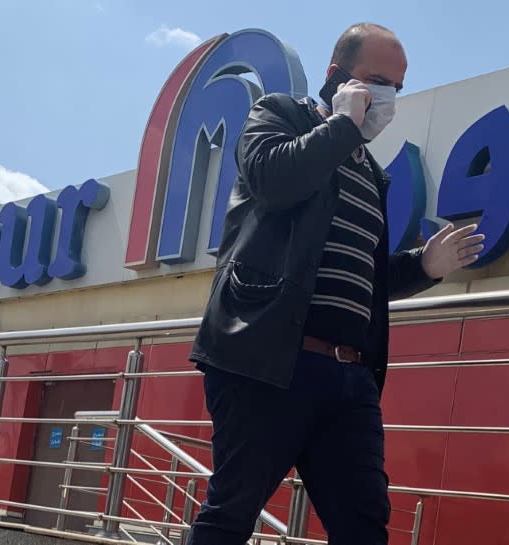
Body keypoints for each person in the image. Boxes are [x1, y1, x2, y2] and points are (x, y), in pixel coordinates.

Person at [188, 22, 484, 545]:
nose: (386, 97)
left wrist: (423, 266)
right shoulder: (278, 114)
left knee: (364, 526)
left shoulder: (373, 175)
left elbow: (364, 277)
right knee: (230, 515)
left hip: (350, 377)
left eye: (397, 86)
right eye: (375, 80)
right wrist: (341, 126)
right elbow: (273, 182)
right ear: (335, 77)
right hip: (267, 359)